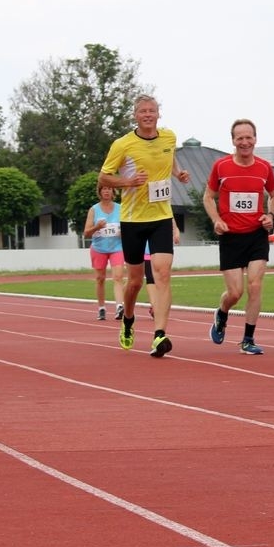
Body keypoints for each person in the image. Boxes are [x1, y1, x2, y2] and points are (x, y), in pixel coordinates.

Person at [99, 94, 190, 358]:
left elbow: (169, 158)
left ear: (159, 114)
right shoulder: (123, 144)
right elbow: (104, 177)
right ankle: (128, 318)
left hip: (160, 217)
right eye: (143, 111)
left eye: (152, 110)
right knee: (135, 281)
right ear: (135, 115)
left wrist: (178, 173)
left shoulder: (169, 137)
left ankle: (160, 333)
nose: (148, 115)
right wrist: (128, 182)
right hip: (133, 220)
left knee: (162, 274)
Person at [203, 119, 274, 355]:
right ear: (233, 141)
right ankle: (222, 312)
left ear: (255, 139)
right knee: (235, 293)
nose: (245, 142)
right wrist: (216, 220)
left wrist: (270, 215)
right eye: (240, 138)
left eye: (249, 137)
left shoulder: (265, 167)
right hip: (231, 236)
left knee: (255, 285)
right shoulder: (221, 166)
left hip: (256, 234)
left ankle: (248, 339)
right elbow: (208, 197)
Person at [83, 182, 126, 320]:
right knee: (100, 279)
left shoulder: (121, 208)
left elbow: (129, 227)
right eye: (104, 189)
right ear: (100, 192)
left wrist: (123, 232)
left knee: (118, 277)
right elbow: (86, 233)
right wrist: (97, 227)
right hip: (99, 248)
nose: (107, 191)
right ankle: (101, 308)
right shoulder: (94, 210)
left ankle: (119, 307)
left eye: (109, 189)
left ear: (113, 192)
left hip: (117, 247)